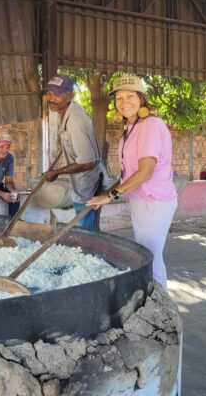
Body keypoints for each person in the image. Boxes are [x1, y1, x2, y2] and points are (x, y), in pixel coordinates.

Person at [86, 75, 178, 290]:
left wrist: (110, 196)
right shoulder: (131, 128)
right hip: (140, 199)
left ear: (142, 99)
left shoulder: (151, 125)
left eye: (130, 95)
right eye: (119, 98)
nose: (124, 101)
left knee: (149, 258)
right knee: (146, 255)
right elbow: (127, 175)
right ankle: (157, 302)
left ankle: (160, 307)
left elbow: (145, 172)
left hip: (154, 201)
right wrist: (105, 196)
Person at [42, 74, 107, 232]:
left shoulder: (75, 121)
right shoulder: (66, 110)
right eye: (49, 93)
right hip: (82, 184)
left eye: (56, 94)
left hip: (89, 186)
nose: (51, 98)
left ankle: (91, 253)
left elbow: (88, 162)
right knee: (86, 228)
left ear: (70, 95)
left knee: (88, 233)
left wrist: (56, 172)